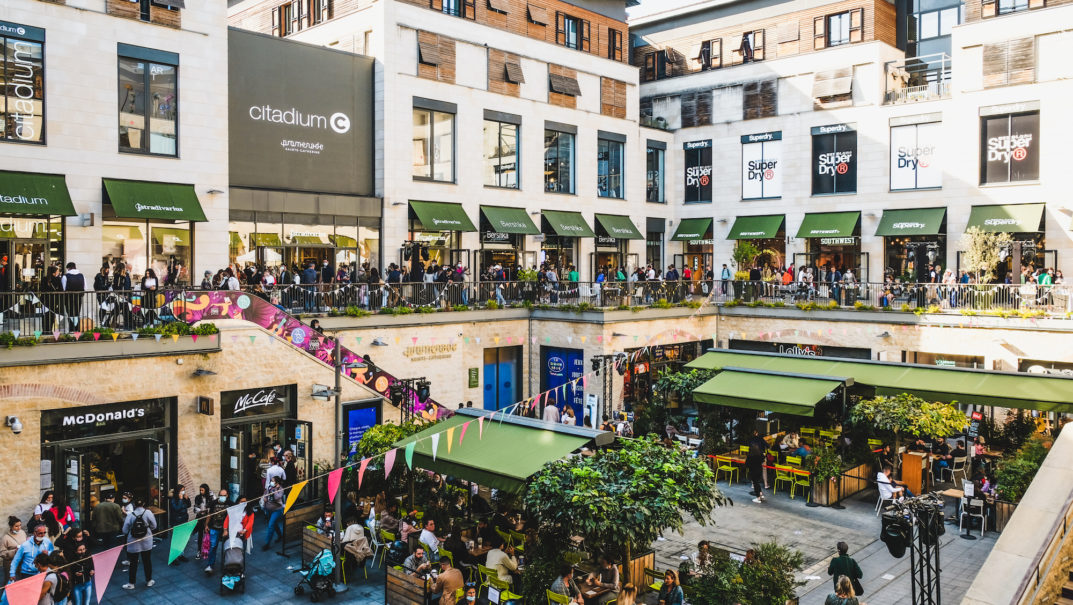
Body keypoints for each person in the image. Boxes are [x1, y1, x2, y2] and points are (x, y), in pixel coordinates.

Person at [121, 497, 156, 589]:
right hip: (147, 540)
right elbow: (154, 526)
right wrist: (147, 529)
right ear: (143, 504)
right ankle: (149, 580)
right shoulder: (148, 513)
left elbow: (124, 530)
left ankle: (131, 583)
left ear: (134, 505)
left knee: (133, 563)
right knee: (147, 561)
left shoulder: (130, 515)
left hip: (133, 542)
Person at [203, 488, 229, 573]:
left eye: (224, 496)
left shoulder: (230, 504)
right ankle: (210, 565)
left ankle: (226, 565)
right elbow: (209, 514)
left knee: (226, 548)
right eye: (220, 495)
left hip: (225, 529)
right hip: (214, 528)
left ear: (227, 496)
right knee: (213, 547)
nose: (222, 497)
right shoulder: (214, 503)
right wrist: (206, 525)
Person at [261, 477, 285, 551]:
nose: (271, 482)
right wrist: (264, 498)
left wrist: (275, 490)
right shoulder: (269, 487)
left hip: (277, 510)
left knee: (271, 525)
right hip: (268, 509)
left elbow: (277, 497)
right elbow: (265, 493)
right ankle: (280, 536)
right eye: (271, 480)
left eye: (273, 481)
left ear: (277, 483)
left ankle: (267, 543)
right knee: (274, 524)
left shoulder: (280, 489)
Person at [747, 429, 768, 503]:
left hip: (753, 471)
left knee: (755, 484)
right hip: (759, 470)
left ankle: (758, 498)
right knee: (758, 483)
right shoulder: (760, 455)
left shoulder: (750, 456)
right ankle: (761, 494)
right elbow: (763, 459)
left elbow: (747, 464)